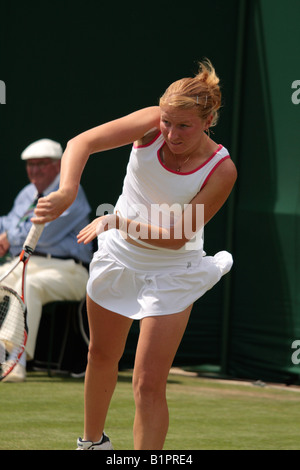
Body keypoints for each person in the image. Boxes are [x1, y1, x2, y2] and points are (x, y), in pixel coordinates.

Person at [33, 60, 237, 450]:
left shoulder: (222, 170)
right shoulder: (150, 124)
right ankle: (92, 443)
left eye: (184, 126)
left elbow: (177, 238)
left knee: (147, 382)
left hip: (173, 269)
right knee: (101, 354)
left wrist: (118, 222)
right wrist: (67, 191)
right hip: (120, 258)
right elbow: (82, 142)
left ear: (209, 119)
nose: (171, 134)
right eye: (166, 122)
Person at [0, 138, 92, 382]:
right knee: (13, 281)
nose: (34, 170)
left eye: (41, 164)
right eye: (30, 164)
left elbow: (43, 233)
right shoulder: (27, 193)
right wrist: (7, 235)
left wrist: (9, 237)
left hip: (69, 270)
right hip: (28, 262)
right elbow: (9, 221)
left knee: (26, 286)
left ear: (57, 166)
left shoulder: (70, 192)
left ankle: (13, 362)